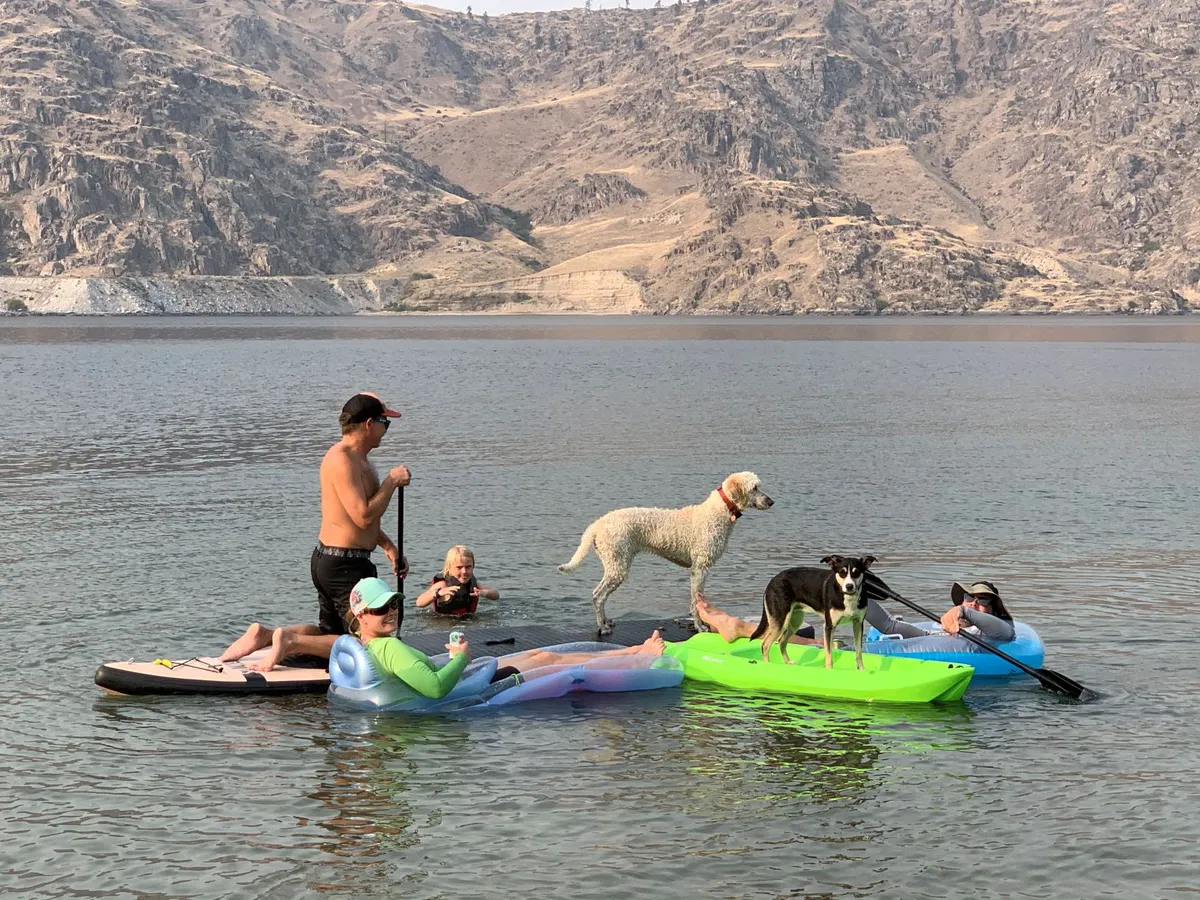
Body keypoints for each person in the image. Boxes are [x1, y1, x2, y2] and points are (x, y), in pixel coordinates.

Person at [220, 392, 411, 672]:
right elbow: (362, 515)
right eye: (385, 422)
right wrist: (392, 481)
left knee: (330, 632)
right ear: (369, 424)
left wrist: (387, 546)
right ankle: (289, 641)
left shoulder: (359, 459)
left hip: (339, 560)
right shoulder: (342, 460)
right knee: (364, 643)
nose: (386, 430)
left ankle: (266, 636)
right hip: (343, 565)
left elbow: (351, 516)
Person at [348, 577, 666, 700]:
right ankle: (640, 655)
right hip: (468, 688)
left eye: (393, 605)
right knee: (548, 660)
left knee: (540, 654)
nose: (390, 612)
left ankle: (636, 648)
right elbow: (434, 688)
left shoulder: (368, 646)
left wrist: (456, 660)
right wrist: (459, 657)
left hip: (467, 677)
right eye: (380, 609)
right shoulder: (389, 646)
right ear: (362, 615)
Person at [693, 579, 1015, 647]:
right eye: (970, 599)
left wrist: (961, 612)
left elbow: (1007, 631)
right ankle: (736, 625)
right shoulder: (948, 625)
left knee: (826, 646)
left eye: (982, 601)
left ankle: (735, 626)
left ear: (993, 609)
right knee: (851, 603)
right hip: (909, 641)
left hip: (898, 651)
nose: (974, 603)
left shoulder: (996, 633)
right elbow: (888, 624)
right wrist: (855, 590)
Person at [414, 545, 499, 616]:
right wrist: (438, 593)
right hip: (442, 622)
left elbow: (496, 595)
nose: (464, 571)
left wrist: (484, 593)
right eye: (459, 567)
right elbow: (419, 602)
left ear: (473, 566)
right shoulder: (443, 585)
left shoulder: (474, 584)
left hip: (467, 620)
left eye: (468, 567)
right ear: (449, 568)